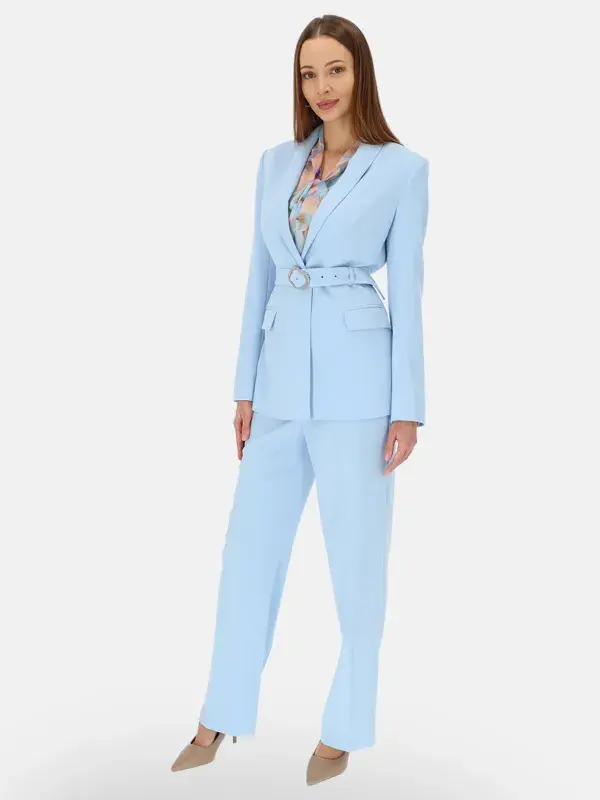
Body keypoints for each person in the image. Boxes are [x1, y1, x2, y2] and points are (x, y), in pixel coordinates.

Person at [171, 12, 430, 786]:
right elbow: (257, 276)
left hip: (361, 388)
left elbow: (409, 292)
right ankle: (219, 714)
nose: (322, 86)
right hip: (278, 383)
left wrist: (408, 405)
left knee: (357, 564)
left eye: (335, 70)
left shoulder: (402, 169)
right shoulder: (275, 162)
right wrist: (244, 387)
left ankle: (342, 729)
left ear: (361, 74)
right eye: (309, 73)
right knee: (247, 553)